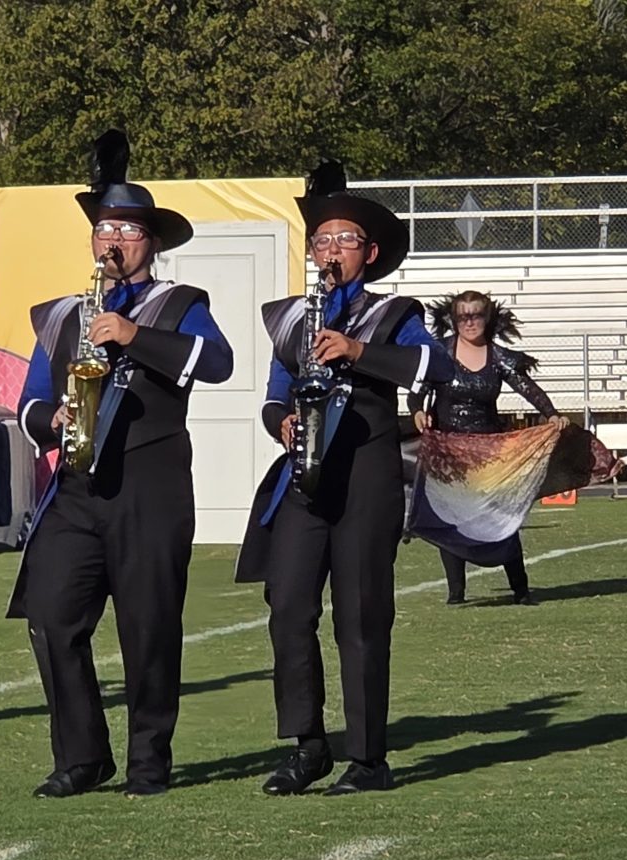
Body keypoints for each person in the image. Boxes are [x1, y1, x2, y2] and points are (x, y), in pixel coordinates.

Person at [7, 130, 233, 798]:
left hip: (149, 487)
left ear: (150, 243)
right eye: (104, 228)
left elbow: (217, 363)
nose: (114, 240)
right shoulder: (61, 314)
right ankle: (82, 757)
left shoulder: (181, 303)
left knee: (149, 626)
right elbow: (29, 401)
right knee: (51, 616)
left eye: (128, 230)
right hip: (75, 489)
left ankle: (148, 760)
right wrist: (50, 420)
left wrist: (135, 336)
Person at [235, 160, 455, 795]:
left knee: (360, 617)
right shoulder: (293, 318)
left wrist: (358, 351)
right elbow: (273, 396)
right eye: (322, 240)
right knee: (288, 607)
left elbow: (435, 368)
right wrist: (280, 422)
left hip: (365, 478)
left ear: (370, 253)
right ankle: (308, 746)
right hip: (305, 478)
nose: (331, 251)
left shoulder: (394, 313)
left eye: (345, 240)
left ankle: (368, 758)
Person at [409, 291, 564, 605]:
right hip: (448, 453)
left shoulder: (499, 357)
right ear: (454, 319)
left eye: (476, 315)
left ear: (487, 317)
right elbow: (417, 391)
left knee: (499, 518)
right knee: (450, 517)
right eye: (462, 316)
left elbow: (528, 388)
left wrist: (551, 414)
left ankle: (520, 588)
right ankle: (456, 593)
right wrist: (417, 411)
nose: (469, 322)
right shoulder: (439, 353)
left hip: (490, 454)